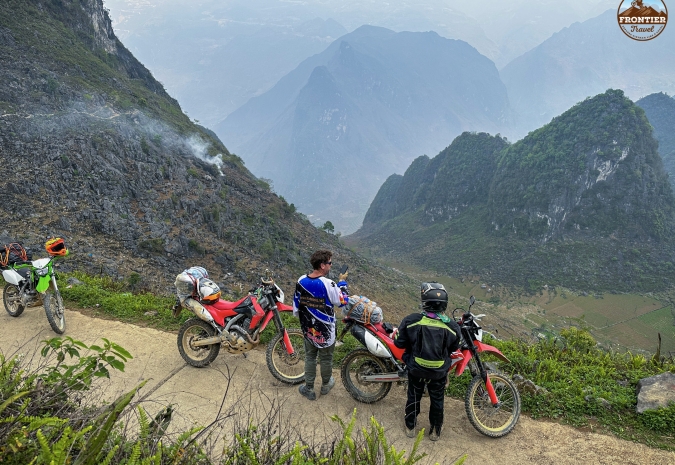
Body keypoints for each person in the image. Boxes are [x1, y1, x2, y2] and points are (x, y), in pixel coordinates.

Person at [394, 282, 461, 441]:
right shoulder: (452, 326)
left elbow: (399, 343)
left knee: (413, 396)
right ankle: (435, 431)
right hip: (438, 372)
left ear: (424, 302)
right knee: (437, 400)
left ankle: (410, 427)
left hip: (416, 369)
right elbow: (453, 348)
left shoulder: (412, 320)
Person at [293, 250, 347, 401]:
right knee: (326, 358)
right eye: (329, 262)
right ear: (322, 265)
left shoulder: (301, 280)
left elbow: (296, 305)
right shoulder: (328, 283)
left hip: (308, 328)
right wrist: (342, 284)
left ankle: (309, 388)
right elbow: (342, 301)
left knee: (310, 357)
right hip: (326, 331)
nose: (331, 265)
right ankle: (325, 385)